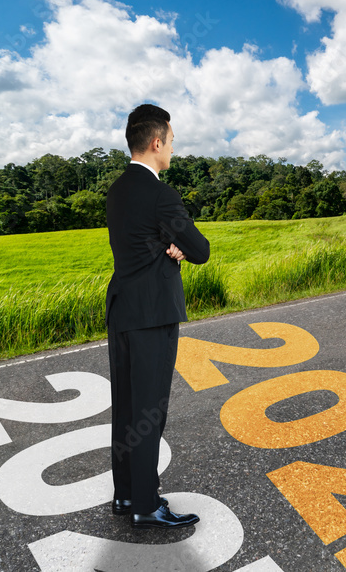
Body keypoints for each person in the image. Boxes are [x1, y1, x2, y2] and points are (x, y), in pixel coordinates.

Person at [104, 104, 210, 529]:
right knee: (150, 411)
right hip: (152, 315)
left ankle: (125, 494)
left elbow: (138, 238)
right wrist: (178, 243)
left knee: (126, 409)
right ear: (156, 141)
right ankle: (147, 505)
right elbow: (200, 250)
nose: (173, 148)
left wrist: (168, 240)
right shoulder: (160, 193)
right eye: (172, 140)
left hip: (121, 310)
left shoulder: (116, 190)